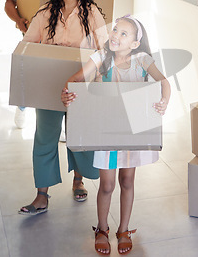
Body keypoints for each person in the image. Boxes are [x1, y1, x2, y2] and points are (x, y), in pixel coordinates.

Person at [61, 15, 171, 255]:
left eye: (124, 34)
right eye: (115, 30)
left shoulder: (141, 60)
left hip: (130, 133)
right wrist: (68, 91)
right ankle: (102, 229)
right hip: (106, 132)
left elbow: (164, 82)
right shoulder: (101, 57)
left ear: (134, 44)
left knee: (127, 181)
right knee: (107, 185)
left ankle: (123, 230)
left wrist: (163, 101)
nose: (116, 36)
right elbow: (76, 79)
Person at [18, 0, 109, 215]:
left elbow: (104, 51)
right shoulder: (45, 12)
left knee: (79, 136)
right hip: (50, 85)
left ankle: (79, 180)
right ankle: (41, 195)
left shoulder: (91, 12)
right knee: (45, 137)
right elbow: (29, 46)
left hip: (83, 84)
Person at [4, 0, 57, 129]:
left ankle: (56, 124)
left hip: (60, 35)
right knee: (32, 76)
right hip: (35, 35)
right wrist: (18, 20)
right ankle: (22, 105)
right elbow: (9, 3)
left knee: (55, 78)